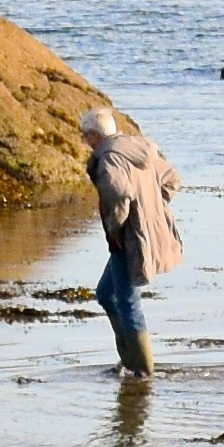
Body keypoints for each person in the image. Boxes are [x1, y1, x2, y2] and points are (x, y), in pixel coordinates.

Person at [81, 105, 184, 373]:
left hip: (127, 238)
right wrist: (153, 208)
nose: (85, 143)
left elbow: (117, 195)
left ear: (94, 136)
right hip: (144, 232)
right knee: (106, 293)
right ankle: (129, 360)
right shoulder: (139, 149)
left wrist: (117, 228)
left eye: (85, 137)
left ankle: (142, 371)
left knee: (127, 300)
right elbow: (172, 179)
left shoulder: (109, 159)